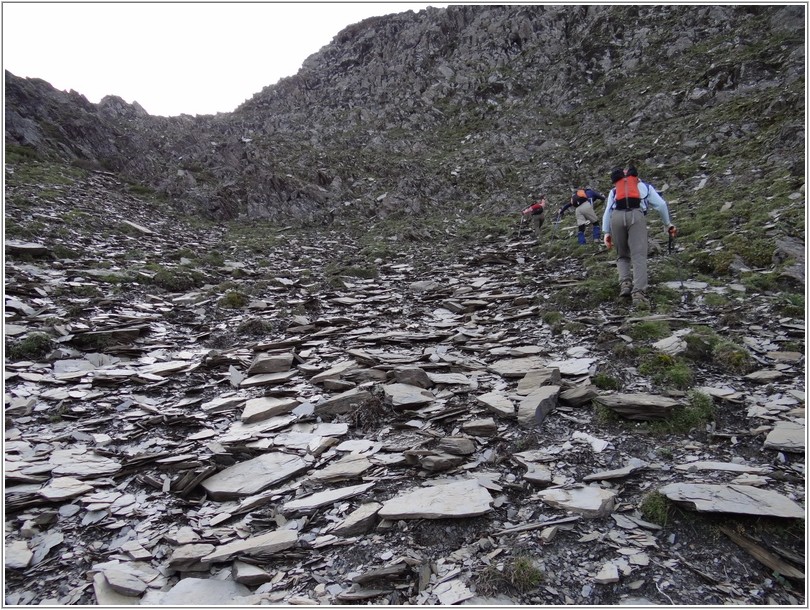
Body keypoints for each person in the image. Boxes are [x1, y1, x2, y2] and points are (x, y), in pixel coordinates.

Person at [601, 165, 677, 307]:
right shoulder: (644, 187)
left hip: (616, 217)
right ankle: (638, 293)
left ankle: (625, 284)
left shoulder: (615, 190)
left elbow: (607, 211)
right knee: (638, 254)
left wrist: (606, 232)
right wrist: (667, 224)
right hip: (636, 215)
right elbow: (661, 205)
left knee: (622, 254)